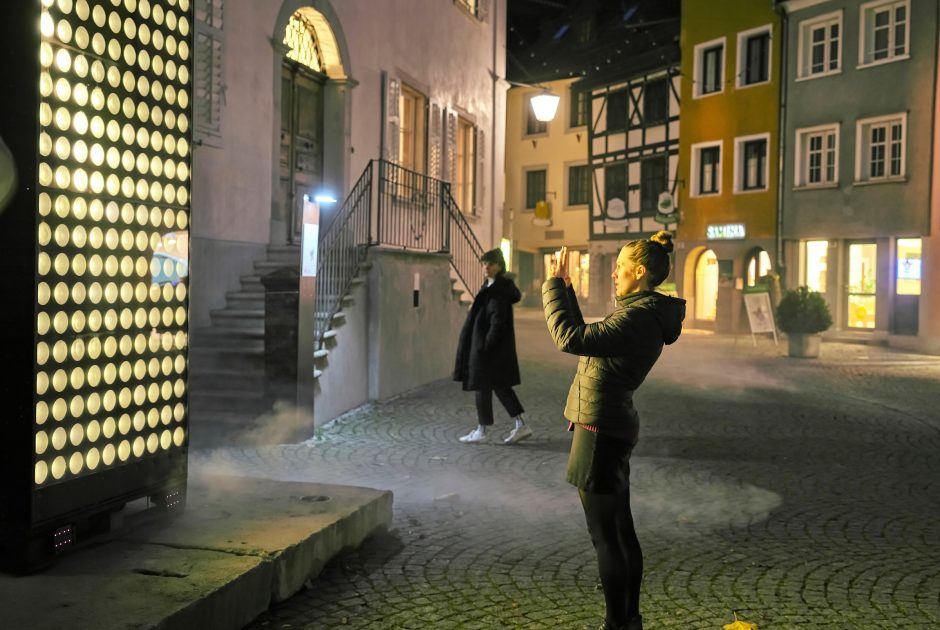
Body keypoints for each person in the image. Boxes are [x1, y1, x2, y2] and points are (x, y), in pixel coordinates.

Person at [542, 232, 685, 630]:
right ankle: (629, 619)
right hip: (609, 426)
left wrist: (552, 287)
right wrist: (567, 289)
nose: (614, 274)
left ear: (639, 272)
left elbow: (570, 338)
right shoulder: (643, 313)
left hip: (598, 431)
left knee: (606, 536)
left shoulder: (637, 318)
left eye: (620, 267)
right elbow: (590, 340)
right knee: (621, 531)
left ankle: (616, 623)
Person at [453, 248, 532, 445]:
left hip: (489, 350)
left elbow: (498, 322)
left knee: (487, 386)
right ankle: (518, 425)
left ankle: (486, 429)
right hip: (489, 349)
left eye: (490, 264)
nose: (486, 267)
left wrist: (485, 345)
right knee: (499, 387)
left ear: (499, 266)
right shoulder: (490, 286)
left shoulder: (498, 291)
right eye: (484, 263)